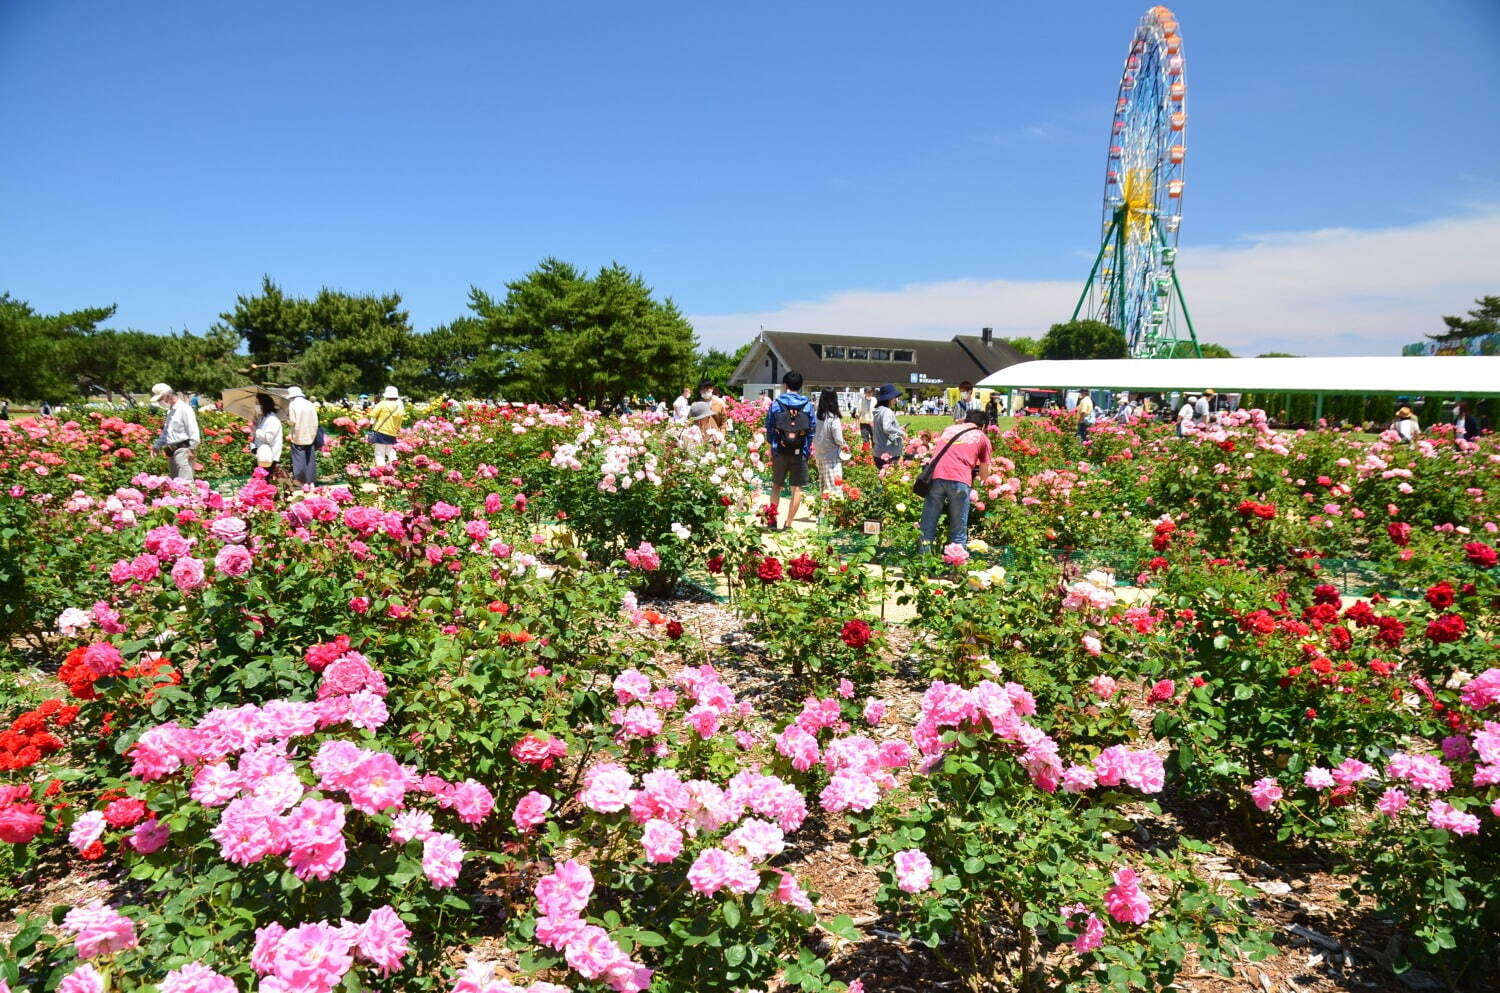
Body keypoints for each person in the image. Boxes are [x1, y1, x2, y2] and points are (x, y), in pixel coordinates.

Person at [919, 410, 993, 553]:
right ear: (983, 426)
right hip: (959, 479)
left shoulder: (949, 430)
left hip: (935, 477)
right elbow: (984, 474)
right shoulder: (981, 437)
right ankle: (955, 567)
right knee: (958, 529)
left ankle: (922, 563)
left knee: (928, 524)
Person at [764, 371, 816, 530]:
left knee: (776, 486)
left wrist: (771, 447)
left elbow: (769, 427)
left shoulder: (776, 403)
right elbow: (812, 429)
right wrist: (806, 449)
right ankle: (788, 523)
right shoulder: (807, 405)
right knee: (797, 488)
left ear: (785, 385)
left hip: (780, 449)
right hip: (799, 451)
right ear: (800, 386)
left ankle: (772, 521)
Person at [149, 382, 200, 481]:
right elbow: (166, 433)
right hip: (172, 451)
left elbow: (193, 431)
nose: (160, 401)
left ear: (168, 395)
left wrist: (192, 449)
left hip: (184, 449)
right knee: (175, 484)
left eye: (160, 399)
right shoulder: (170, 411)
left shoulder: (185, 409)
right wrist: (157, 446)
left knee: (185, 483)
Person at [812, 388, 849, 496]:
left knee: (824, 487)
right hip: (832, 456)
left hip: (819, 455)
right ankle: (834, 512)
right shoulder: (833, 417)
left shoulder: (816, 415)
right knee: (835, 489)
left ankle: (823, 511)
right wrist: (844, 445)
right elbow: (838, 438)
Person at [286, 386, 320, 485]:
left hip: (298, 435)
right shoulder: (310, 404)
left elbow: (292, 421)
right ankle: (311, 482)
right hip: (311, 434)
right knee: (310, 459)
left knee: (299, 458)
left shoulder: (292, 404)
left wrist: (287, 419)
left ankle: (301, 481)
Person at [368, 386, 405, 467]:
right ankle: (394, 464)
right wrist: (397, 430)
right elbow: (400, 421)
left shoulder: (382, 404)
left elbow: (373, 416)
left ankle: (382, 469)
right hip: (392, 432)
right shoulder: (400, 406)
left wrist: (370, 428)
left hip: (380, 431)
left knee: (379, 452)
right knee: (390, 451)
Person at [871, 384, 906, 468]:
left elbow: (883, 429)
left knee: (881, 477)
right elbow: (886, 428)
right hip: (889, 453)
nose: (896, 399)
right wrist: (901, 433)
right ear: (889, 398)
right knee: (890, 478)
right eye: (894, 397)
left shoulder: (878, 411)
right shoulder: (887, 411)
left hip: (878, 451)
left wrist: (897, 429)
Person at [251, 392, 283, 478]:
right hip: (262, 455)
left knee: (264, 481)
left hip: (268, 456)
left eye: (258, 403)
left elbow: (268, 438)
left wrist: (256, 430)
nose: (256, 406)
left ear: (264, 404)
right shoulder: (263, 418)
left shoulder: (272, 419)